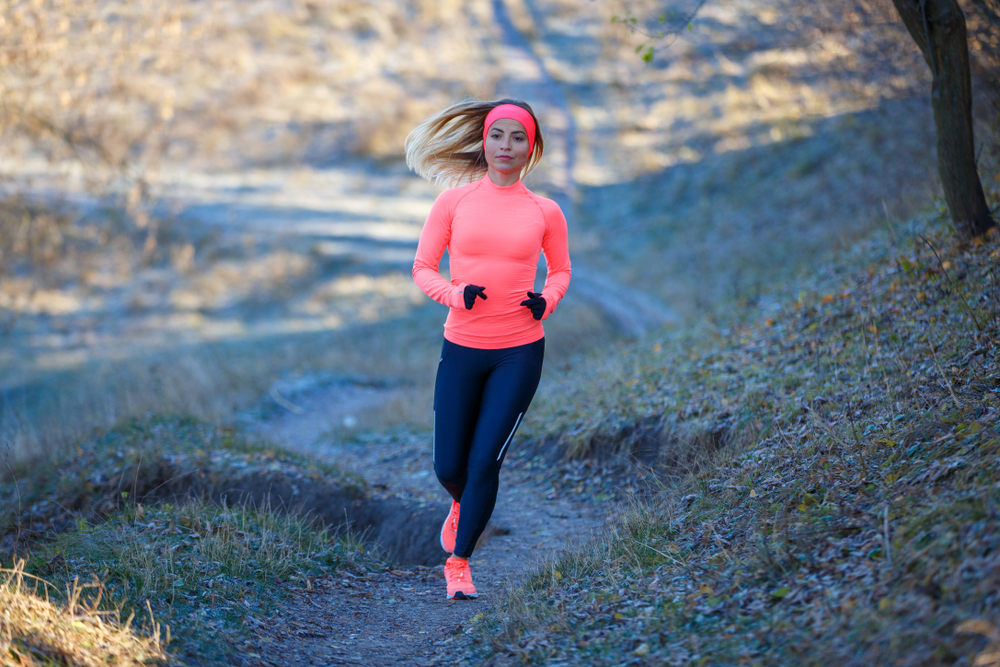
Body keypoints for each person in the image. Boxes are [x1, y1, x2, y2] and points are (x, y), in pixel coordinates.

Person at [406, 98, 571, 600]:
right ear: (484, 140)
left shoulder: (545, 210)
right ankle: (462, 505)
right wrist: (456, 294)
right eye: (498, 135)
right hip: (462, 346)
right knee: (449, 468)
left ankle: (459, 564)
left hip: (519, 351)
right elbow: (422, 268)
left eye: (517, 137)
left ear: (531, 148)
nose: (506, 146)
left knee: (485, 462)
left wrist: (549, 300)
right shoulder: (453, 203)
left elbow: (561, 270)